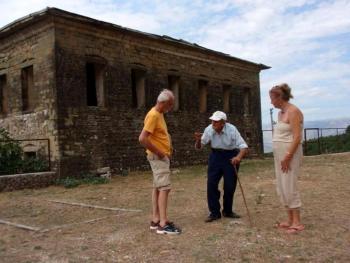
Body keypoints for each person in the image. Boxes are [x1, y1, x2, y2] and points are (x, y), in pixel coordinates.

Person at [139, 89, 181, 235]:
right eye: (170, 104)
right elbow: (142, 138)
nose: (171, 107)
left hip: (161, 158)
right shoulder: (153, 115)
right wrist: (160, 153)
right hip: (158, 158)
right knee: (164, 187)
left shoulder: (159, 114)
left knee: (158, 187)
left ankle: (156, 219)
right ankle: (163, 224)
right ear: (162, 102)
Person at [194, 111, 248, 222]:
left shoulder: (232, 129)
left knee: (229, 186)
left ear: (223, 123)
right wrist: (198, 140)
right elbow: (199, 147)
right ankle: (214, 213)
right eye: (213, 121)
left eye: (216, 121)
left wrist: (238, 158)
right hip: (215, 156)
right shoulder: (209, 129)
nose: (213, 123)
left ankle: (228, 211)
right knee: (211, 184)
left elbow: (243, 147)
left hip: (230, 156)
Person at [269, 83, 305, 234]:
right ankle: (289, 219)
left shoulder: (294, 111)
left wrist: (288, 156)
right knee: (282, 185)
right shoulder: (280, 113)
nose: (271, 102)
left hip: (290, 153)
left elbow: (297, 137)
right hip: (279, 154)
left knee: (290, 184)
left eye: (272, 99)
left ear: (280, 97)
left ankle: (297, 222)